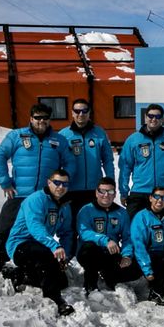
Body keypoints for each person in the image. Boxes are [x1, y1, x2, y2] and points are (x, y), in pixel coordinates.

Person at [0, 103, 75, 272]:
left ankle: (34, 263)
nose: (41, 121)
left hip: (45, 196)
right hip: (20, 193)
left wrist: (61, 183)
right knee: (6, 227)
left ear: (49, 119)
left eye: (45, 118)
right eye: (37, 117)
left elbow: (70, 163)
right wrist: (5, 182)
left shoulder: (59, 140)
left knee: (40, 229)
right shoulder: (17, 136)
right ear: (31, 118)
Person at [3, 168, 75, 316]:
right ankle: (55, 300)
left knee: (62, 281)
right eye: (57, 183)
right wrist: (54, 246)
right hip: (20, 245)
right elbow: (35, 227)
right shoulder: (36, 200)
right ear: (49, 182)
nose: (61, 187)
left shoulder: (65, 205)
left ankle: (19, 274)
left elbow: (66, 233)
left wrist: (65, 256)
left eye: (65, 184)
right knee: (45, 257)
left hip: (42, 247)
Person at [119, 104, 164, 218]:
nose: (154, 119)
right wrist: (123, 191)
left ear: (162, 119)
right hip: (141, 192)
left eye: (157, 116)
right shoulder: (133, 139)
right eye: (151, 116)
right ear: (145, 117)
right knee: (135, 226)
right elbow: (125, 167)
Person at [76, 177, 140, 295]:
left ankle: (110, 276)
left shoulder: (121, 213)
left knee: (135, 269)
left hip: (110, 253)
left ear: (115, 194)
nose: (106, 195)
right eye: (102, 191)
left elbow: (127, 237)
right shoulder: (86, 210)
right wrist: (105, 240)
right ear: (96, 192)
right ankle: (90, 284)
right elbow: (84, 232)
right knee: (89, 249)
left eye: (110, 191)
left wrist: (127, 255)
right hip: (90, 252)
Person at [59, 98, 115, 233]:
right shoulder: (63, 135)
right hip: (71, 189)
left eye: (84, 111)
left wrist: (110, 180)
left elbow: (108, 159)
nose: (81, 114)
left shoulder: (99, 133)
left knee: (96, 225)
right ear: (72, 113)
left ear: (89, 113)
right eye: (77, 111)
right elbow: (57, 163)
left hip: (94, 189)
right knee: (70, 227)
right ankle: (71, 247)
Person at [131, 187, 164, 305]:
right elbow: (139, 245)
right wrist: (147, 270)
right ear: (150, 198)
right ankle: (156, 292)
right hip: (148, 258)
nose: (160, 200)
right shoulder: (141, 217)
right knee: (159, 259)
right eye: (157, 197)